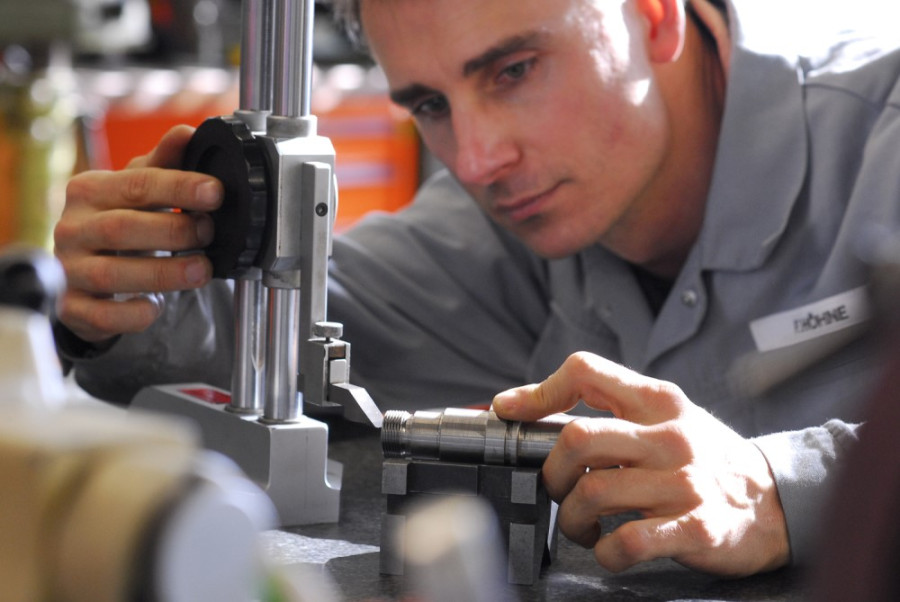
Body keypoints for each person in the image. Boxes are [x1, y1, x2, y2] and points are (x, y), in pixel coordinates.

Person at [52, 0, 900, 579]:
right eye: (429, 104)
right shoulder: (502, 228)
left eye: (514, 70)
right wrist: (128, 289)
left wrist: (779, 487)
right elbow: (267, 335)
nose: (477, 159)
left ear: (652, 16)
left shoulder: (881, 130)